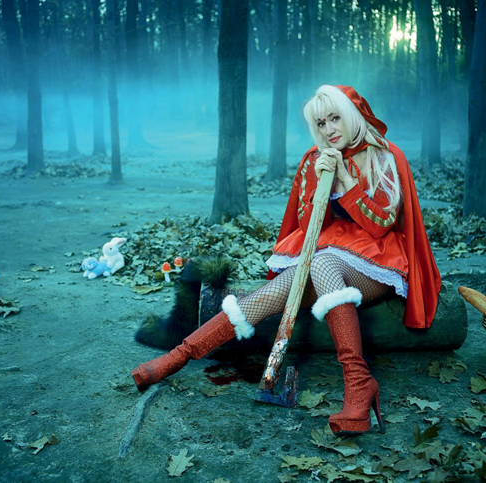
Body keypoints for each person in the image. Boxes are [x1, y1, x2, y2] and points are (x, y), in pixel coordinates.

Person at [131, 84, 442, 435]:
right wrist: (323, 182)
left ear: (352, 115)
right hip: (326, 255)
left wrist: (345, 179)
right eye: (321, 123)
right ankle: (178, 356)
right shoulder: (315, 158)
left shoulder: (384, 156)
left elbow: (380, 224)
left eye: (335, 118)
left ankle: (358, 381)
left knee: (322, 263)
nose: (329, 129)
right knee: (277, 290)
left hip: (377, 261)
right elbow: (308, 226)